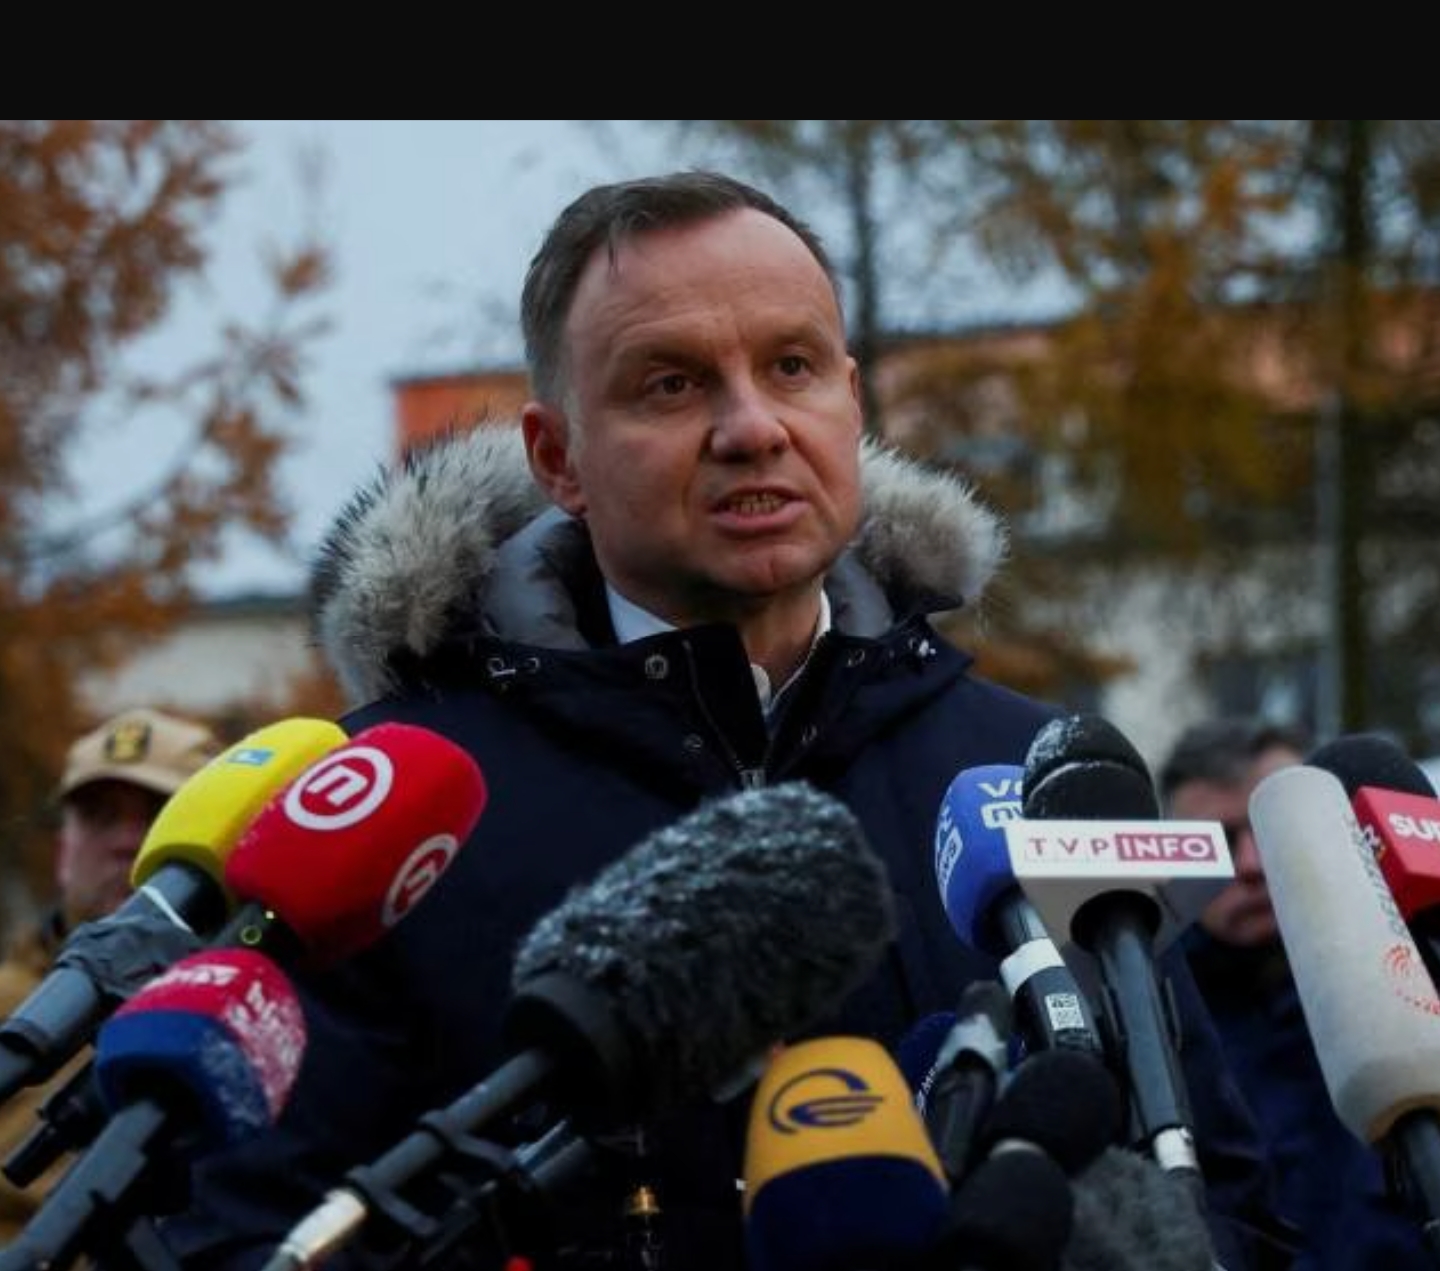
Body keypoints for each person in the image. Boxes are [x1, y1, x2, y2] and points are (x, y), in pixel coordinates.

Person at [159, 171, 1286, 1270]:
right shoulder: (391, 807)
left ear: (851, 399)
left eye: (792, 366)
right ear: (558, 458)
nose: (752, 428)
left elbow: (1226, 1197)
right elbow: (246, 1225)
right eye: (671, 384)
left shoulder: (1026, 773)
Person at [1160, 716, 1433, 1270]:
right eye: (1220, 841)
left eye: (1273, 831)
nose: (1252, 865)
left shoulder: (1422, 980)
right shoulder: (1149, 1027)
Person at [0, 706, 221, 1243]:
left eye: (160, 814)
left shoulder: (277, 1024)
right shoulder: (8, 1010)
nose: (126, 842)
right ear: (63, 852)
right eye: (100, 816)